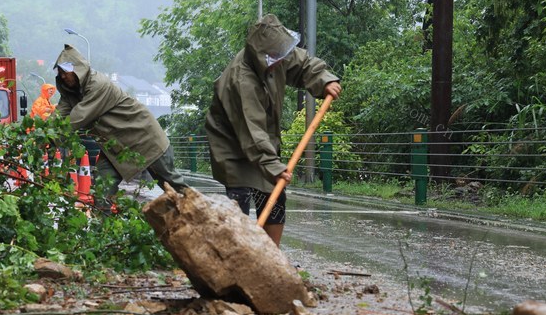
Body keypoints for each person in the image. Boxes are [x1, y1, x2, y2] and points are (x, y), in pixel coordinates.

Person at [205, 14, 342, 246]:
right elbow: (252, 132)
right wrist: (274, 166)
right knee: (240, 199)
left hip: (262, 140)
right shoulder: (242, 80)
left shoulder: (278, 54)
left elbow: (304, 64)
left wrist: (324, 79)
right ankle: (236, 254)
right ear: (262, 56)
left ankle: (271, 255)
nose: (283, 60)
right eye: (278, 57)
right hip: (232, 144)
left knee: (274, 195)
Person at [53, 44, 187, 197]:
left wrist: (50, 139)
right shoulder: (70, 93)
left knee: (174, 188)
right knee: (102, 189)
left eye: (65, 72)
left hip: (145, 139)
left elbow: (77, 118)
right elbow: (59, 115)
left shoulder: (98, 85)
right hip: (115, 147)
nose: (62, 76)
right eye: (60, 72)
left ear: (77, 69)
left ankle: (207, 215)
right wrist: (42, 132)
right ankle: (101, 218)